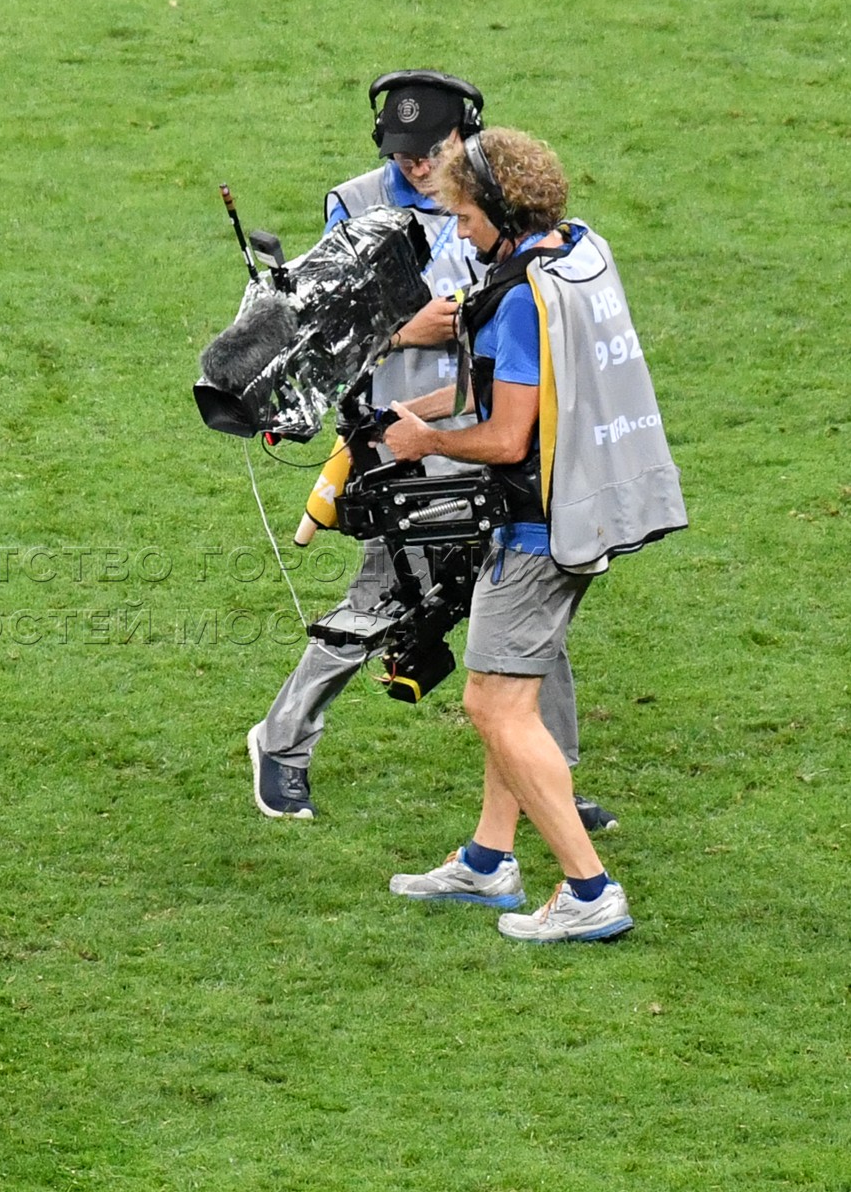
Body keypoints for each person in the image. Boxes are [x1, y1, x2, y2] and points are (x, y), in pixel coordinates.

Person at [248, 71, 617, 834]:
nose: (416, 166)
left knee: (524, 603)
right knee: (385, 597)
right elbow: (318, 327)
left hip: (495, 432)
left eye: (432, 151)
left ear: (466, 138)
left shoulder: (499, 200)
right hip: (403, 439)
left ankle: (547, 775)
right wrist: (401, 331)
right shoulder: (354, 205)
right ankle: (281, 742)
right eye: (402, 152)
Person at [380, 127, 684, 941]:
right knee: (513, 696)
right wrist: (412, 410)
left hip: (538, 529)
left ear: (504, 212)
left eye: (466, 216)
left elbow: (508, 435)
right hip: (589, 503)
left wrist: (427, 440)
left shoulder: (518, 300)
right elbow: (515, 385)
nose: (460, 231)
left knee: (494, 705)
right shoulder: (574, 252)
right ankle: (488, 861)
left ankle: (590, 891)